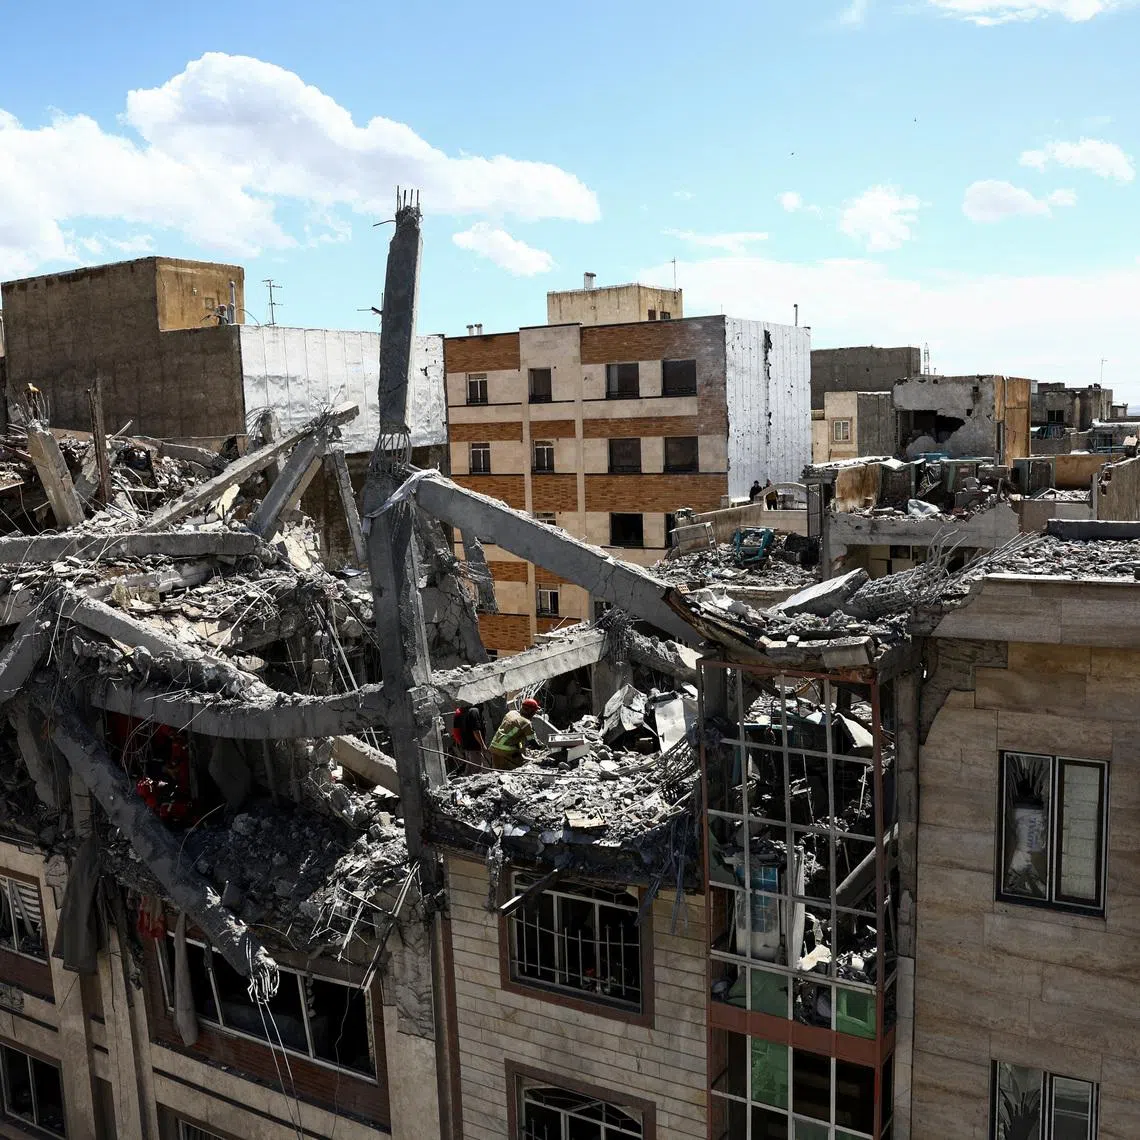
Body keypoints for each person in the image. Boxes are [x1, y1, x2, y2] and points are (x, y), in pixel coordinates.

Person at [489, 698, 541, 768]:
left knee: (498, 771)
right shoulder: (526, 723)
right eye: (534, 712)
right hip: (506, 750)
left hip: (494, 747)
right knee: (524, 766)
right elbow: (532, 743)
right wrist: (544, 748)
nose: (534, 714)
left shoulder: (511, 713)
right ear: (529, 711)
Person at [456, 703, 489, 771]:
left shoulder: (466, 711)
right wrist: (483, 745)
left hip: (468, 747)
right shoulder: (474, 711)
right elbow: (476, 731)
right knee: (476, 771)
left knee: (470, 771)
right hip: (474, 748)